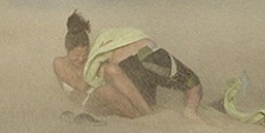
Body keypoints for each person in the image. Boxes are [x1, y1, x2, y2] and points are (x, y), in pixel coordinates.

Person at [53, 11, 203, 120]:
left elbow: (104, 72)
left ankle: (147, 110)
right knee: (107, 91)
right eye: (76, 56)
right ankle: (143, 117)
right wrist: (98, 71)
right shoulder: (59, 63)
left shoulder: (92, 60)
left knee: (112, 72)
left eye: (84, 55)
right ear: (67, 50)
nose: (80, 59)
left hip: (107, 95)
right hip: (88, 103)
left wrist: (103, 68)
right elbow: (81, 86)